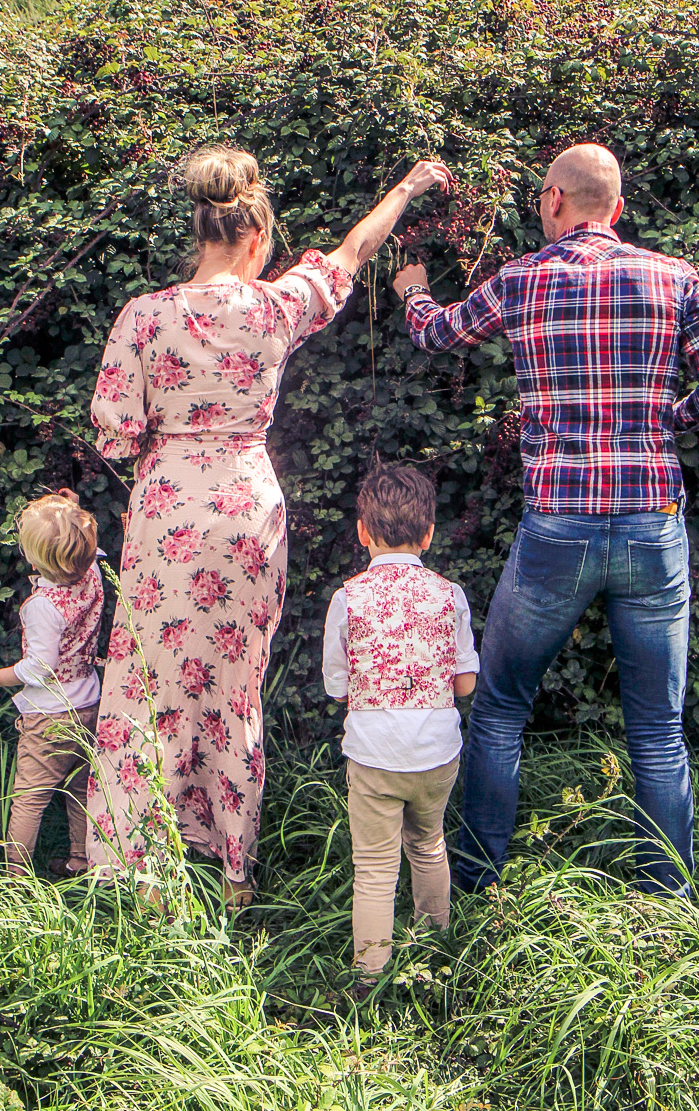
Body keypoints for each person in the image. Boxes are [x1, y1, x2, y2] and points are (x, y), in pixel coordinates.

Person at [90, 146, 453, 907]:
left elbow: (117, 436)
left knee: (147, 685)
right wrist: (410, 185)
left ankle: (139, 868)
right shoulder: (276, 306)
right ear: (257, 236)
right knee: (232, 687)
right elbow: (354, 251)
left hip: (167, 513)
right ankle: (233, 875)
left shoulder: (144, 316)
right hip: (247, 510)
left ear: (201, 231)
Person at [392, 142, 699, 897]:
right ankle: (667, 901)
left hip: (558, 523)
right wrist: (663, 425)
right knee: (658, 731)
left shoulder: (524, 280)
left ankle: (479, 881)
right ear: (616, 209)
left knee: (497, 712)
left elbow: (437, 335)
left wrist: (413, 290)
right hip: (652, 522)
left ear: (555, 199)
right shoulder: (672, 276)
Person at [322, 464, 479, 986]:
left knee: (373, 869)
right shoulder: (449, 594)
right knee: (428, 844)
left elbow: (337, 687)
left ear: (362, 531)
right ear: (430, 533)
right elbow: (464, 685)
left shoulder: (348, 598)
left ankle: (371, 976)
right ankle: (436, 946)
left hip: (373, 754)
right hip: (437, 752)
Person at [0, 489, 103, 877]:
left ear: (34, 558)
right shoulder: (92, 572)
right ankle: (81, 861)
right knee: (80, 791)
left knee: (29, 799)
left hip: (50, 716)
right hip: (89, 704)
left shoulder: (43, 607)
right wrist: (73, 509)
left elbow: (39, 667)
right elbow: (85, 546)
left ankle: (16, 880)